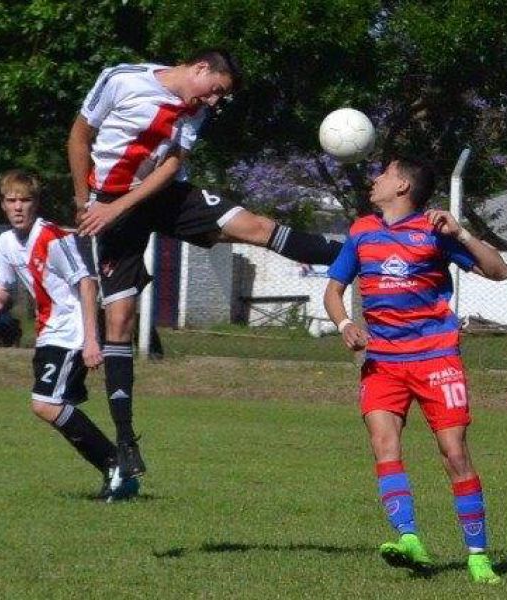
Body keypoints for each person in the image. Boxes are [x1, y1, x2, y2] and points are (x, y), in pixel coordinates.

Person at [67, 49, 342, 479]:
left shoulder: (194, 109)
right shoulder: (119, 79)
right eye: (217, 90)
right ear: (200, 69)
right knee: (118, 320)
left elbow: (173, 163)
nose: (215, 101)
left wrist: (123, 204)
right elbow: (80, 136)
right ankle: (125, 441)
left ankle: (353, 252)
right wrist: (87, 204)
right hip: (107, 206)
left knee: (254, 226)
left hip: (161, 198)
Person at [324, 158, 507, 584]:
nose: (375, 180)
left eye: (384, 174)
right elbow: (334, 291)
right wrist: (345, 323)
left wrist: (461, 232)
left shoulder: (434, 230)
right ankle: (409, 539)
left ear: (403, 185)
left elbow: (499, 271)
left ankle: (478, 555)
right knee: (383, 446)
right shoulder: (361, 230)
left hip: (436, 359)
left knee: (455, 454)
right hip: (383, 363)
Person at [0, 170, 137, 502]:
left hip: (71, 332)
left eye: (25, 200)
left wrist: (92, 340)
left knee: (45, 404)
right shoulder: (6, 241)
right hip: (48, 333)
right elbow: (4, 283)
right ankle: (117, 466)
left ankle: (116, 463)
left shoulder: (52, 238)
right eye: (11, 201)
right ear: (3, 205)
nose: (18, 207)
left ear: (35, 203)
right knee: (51, 405)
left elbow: (86, 282)